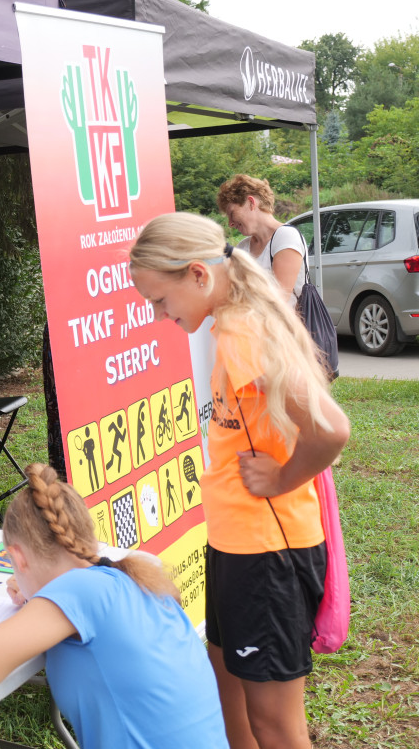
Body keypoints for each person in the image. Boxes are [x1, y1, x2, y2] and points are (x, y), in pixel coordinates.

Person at [128, 212, 351, 749]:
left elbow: (330, 429)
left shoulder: (245, 328)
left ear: (198, 276)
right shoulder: (230, 323)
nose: (160, 314)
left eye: (160, 300)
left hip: (266, 553)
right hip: (235, 545)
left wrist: (280, 479)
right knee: (228, 688)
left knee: (274, 722)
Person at [0, 463, 229, 749]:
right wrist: (38, 595)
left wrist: (42, 597)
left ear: (18, 557)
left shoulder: (79, 591)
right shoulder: (130, 577)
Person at [217, 174, 306, 306]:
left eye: (232, 214)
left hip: (282, 325)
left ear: (251, 203)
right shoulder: (243, 247)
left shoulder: (286, 236)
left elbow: (279, 299)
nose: (230, 223)